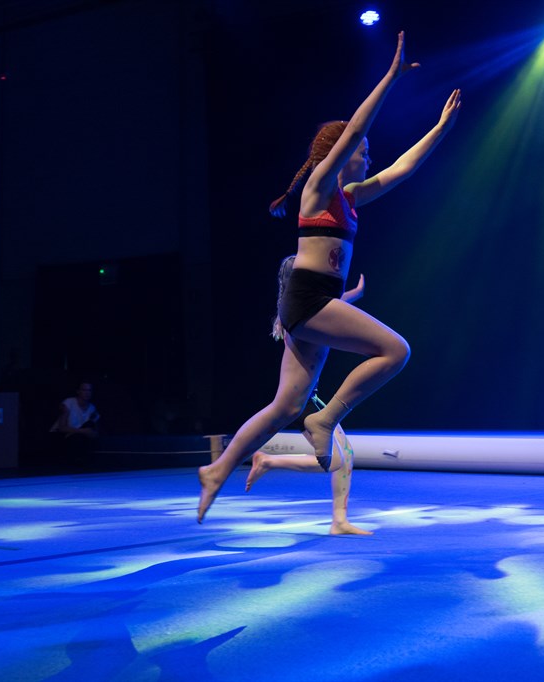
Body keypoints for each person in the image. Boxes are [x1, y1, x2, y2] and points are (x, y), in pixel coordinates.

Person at [197, 31, 461, 522]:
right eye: (363, 150)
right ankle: (327, 418)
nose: (368, 156)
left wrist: (441, 128)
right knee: (396, 351)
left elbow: (402, 169)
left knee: (284, 407)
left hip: (315, 301)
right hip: (308, 299)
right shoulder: (318, 188)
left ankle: (219, 469)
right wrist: (390, 78)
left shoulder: (351, 198)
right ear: (342, 151)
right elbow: (356, 127)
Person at [243, 255, 371, 536]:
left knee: (346, 454)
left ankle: (339, 521)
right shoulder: (299, 316)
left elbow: (332, 306)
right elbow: (333, 307)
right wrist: (352, 294)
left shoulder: (296, 312)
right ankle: (269, 461)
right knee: (335, 461)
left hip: (311, 398)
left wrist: (354, 294)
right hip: (301, 403)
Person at [49, 381, 99, 464]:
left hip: (78, 437)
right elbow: (61, 428)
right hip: (61, 435)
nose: (87, 393)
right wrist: (83, 431)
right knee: (77, 439)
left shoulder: (92, 408)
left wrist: (92, 433)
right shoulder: (68, 403)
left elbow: (95, 431)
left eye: (89, 390)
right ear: (78, 391)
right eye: (84, 390)